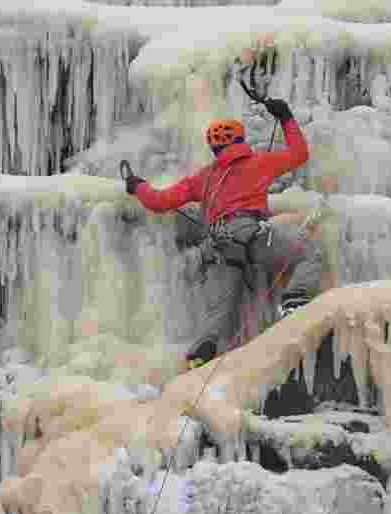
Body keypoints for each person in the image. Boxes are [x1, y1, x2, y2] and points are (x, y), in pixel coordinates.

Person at [123, 98, 322, 367]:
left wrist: (137, 186)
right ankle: (294, 301)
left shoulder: (203, 178)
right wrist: (285, 117)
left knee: (222, 312)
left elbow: (160, 202)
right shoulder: (259, 162)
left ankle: (201, 354)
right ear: (240, 139)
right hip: (251, 234)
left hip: (219, 245)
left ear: (214, 147)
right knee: (307, 254)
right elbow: (299, 154)